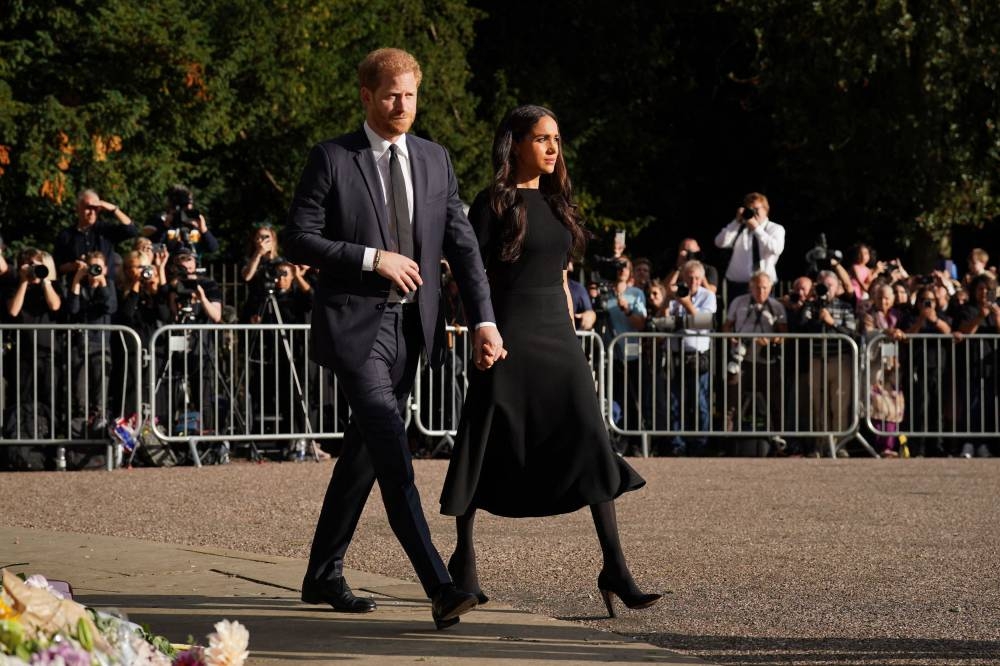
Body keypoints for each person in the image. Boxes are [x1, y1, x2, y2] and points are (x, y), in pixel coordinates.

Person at [281, 47, 503, 630]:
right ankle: (439, 584)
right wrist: (371, 258)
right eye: (390, 96)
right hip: (357, 328)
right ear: (366, 96)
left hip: (413, 329)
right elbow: (297, 238)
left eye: (409, 95)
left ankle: (322, 574)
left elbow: (464, 247)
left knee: (364, 453)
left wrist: (484, 319)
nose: (401, 106)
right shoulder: (331, 157)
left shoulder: (435, 159)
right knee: (391, 446)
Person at [439, 104, 659, 618]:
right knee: (485, 437)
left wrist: (569, 328)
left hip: (558, 337)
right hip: (507, 333)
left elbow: (562, 274)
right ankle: (463, 568)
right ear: (515, 143)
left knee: (589, 436)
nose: (553, 147)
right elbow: (471, 275)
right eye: (542, 138)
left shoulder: (560, 201)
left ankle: (616, 568)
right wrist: (481, 329)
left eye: (556, 138)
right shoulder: (491, 202)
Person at [722, 270, 787, 454]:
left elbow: (784, 334)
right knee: (732, 399)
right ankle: (728, 440)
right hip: (741, 359)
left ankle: (778, 439)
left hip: (766, 361)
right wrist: (732, 339)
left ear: (770, 288)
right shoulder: (739, 302)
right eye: (757, 287)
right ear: (750, 287)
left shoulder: (776, 307)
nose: (761, 292)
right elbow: (727, 326)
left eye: (765, 288)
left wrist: (770, 340)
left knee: (774, 400)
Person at [665, 259, 717, 455]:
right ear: (684, 278)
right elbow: (664, 323)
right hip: (676, 354)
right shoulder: (674, 295)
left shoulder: (708, 296)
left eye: (697, 278)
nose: (693, 281)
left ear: (702, 278)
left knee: (699, 402)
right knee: (675, 402)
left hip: (697, 356)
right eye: (689, 278)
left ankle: (700, 443)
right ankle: (678, 444)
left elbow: (705, 322)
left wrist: (686, 306)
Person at [53, 189, 136, 282]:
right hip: (78, 287)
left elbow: (131, 230)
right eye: (88, 207)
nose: (92, 212)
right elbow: (57, 266)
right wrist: (74, 266)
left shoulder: (105, 230)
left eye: (95, 208)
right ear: (77, 208)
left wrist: (114, 209)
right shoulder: (66, 235)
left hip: (105, 286)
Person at [714, 192, 784, 300]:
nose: (753, 213)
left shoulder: (775, 229)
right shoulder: (740, 228)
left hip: (764, 285)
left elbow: (776, 249)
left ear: (766, 210)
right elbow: (720, 243)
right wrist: (736, 222)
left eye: (756, 209)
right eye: (750, 210)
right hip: (738, 285)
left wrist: (757, 229)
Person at [146, 185, 220, 258]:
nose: (188, 207)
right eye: (184, 204)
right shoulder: (159, 220)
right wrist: (164, 227)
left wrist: (204, 230)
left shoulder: (195, 221)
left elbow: (213, 248)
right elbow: (152, 248)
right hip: (169, 267)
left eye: (190, 203)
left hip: (192, 266)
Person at [566, 259, 595, 330]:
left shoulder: (577, 288)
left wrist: (590, 317)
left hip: (568, 338)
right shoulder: (538, 287)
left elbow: (590, 312)